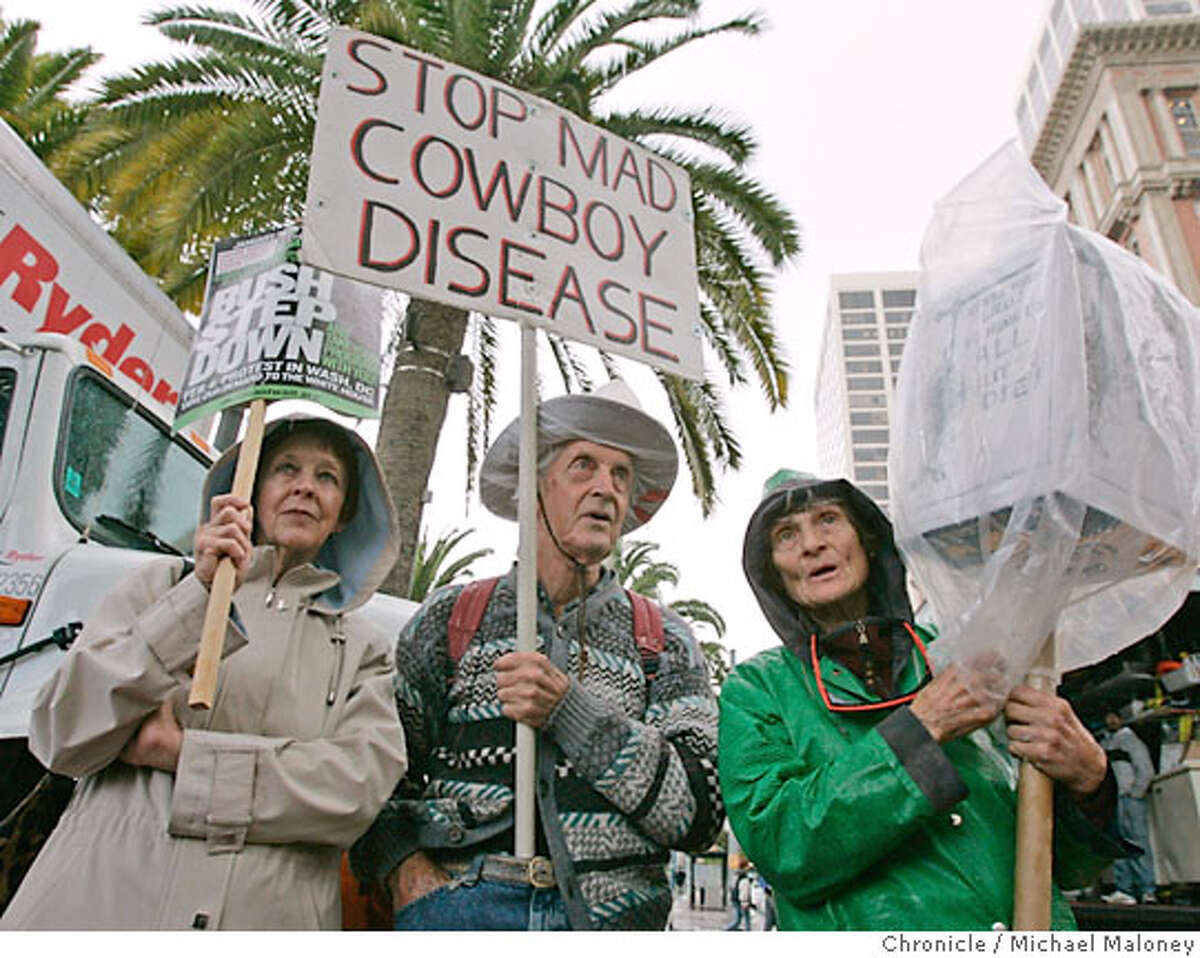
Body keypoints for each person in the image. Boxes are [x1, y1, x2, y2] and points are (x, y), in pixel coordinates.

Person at [0, 416, 407, 930]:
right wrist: (198, 594)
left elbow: (356, 790)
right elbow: (62, 734)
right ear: (250, 491)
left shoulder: (365, 649)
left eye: (327, 477)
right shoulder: (157, 587)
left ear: (345, 515)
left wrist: (183, 756)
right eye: (286, 469)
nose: (306, 486)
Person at [350, 380, 723, 931]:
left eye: (621, 475)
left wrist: (572, 713)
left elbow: (699, 814)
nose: (606, 488)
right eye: (584, 466)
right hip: (456, 912)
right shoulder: (451, 617)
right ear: (536, 488)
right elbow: (370, 767)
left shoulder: (664, 637)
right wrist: (408, 875)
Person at [718, 470, 1127, 931]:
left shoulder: (966, 659)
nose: (812, 544)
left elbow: (1070, 869)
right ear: (774, 574)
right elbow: (784, 846)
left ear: (869, 541)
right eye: (786, 535)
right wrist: (921, 729)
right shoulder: (755, 689)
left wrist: (1089, 782)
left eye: (829, 520)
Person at [1100, 711, 1157, 904]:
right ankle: (1125, 890)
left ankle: (1147, 889)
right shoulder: (1107, 742)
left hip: (1128, 798)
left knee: (1137, 842)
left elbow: (1145, 769)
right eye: (1109, 716)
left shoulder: (1130, 740)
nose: (1111, 720)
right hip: (1114, 799)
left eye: (1115, 716)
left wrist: (1135, 793)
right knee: (1119, 844)